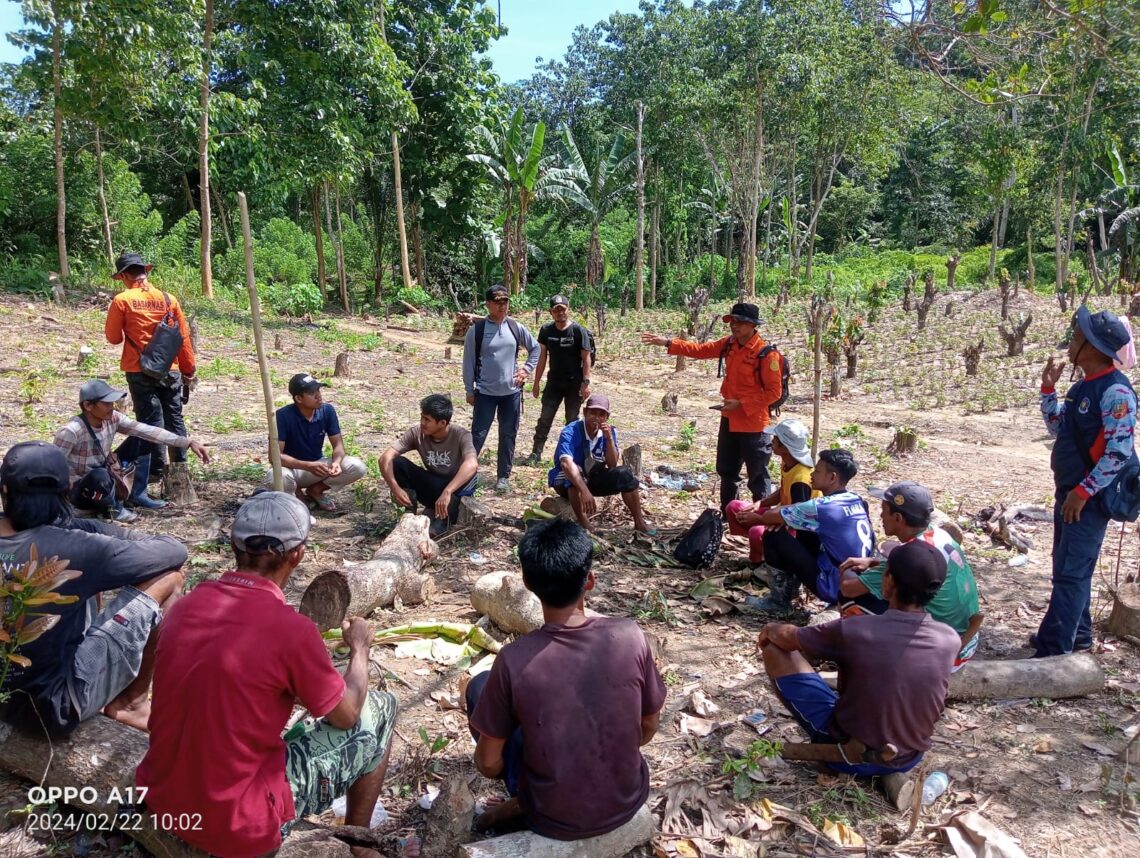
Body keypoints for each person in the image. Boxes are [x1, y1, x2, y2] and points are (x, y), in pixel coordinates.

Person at [137, 492, 398, 857]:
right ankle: (359, 843)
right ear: (298, 554)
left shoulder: (185, 606)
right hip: (239, 822)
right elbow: (348, 713)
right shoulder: (292, 630)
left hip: (163, 798)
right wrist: (360, 649)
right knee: (382, 706)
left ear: (233, 543)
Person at [466, 518, 665, 838]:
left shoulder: (514, 660)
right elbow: (648, 727)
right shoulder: (630, 635)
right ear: (590, 581)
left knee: (479, 686)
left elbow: (488, 763)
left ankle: (525, 795)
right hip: (626, 801)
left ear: (527, 583)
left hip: (551, 817)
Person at [0, 441, 186, 736]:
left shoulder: (71, 544)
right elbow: (172, 550)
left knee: (82, 583)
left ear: (6, 489)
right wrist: (98, 530)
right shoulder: (76, 546)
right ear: (66, 490)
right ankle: (132, 703)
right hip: (50, 709)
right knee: (169, 578)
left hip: (5, 694)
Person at [756, 539, 960, 776]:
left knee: (774, 647)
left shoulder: (856, 629)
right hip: (908, 758)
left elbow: (789, 638)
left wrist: (771, 628)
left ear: (890, 581)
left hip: (849, 755)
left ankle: (834, 747)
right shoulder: (950, 639)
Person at [1035, 306, 1136, 656]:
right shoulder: (1082, 388)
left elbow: (1118, 452)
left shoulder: (1116, 393)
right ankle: (1077, 635)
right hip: (1070, 494)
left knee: (1070, 573)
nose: (1072, 340)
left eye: (1079, 336)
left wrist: (1082, 491)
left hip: (1087, 500)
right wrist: (1049, 389)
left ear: (1092, 349)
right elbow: (1057, 427)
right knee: (1067, 567)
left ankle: (1053, 651)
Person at [641, 302, 783, 513]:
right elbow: (700, 350)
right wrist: (668, 343)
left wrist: (742, 404)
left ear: (753, 325)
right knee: (727, 472)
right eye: (732, 321)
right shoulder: (729, 344)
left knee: (758, 476)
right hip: (729, 420)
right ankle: (728, 516)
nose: (735, 326)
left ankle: (761, 521)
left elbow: (774, 393)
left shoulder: (766, 354)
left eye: (741, 322)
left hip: (754, 425)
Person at [838, 481, 982, 670]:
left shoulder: (907, 554)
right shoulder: (938, 535)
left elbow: (848, 588)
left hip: (940, 653)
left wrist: (846, 567)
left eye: (884, 510)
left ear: (898, 518)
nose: (880, 516)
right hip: (965, 640)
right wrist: (874, 562)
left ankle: (872, 661)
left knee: (851, 600)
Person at [104, 251, 196, 504]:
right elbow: (183, 338)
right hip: (171, 370)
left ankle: (155, 471)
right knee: (174, 418)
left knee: (149, 423)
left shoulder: (122, 300)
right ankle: (180, 471)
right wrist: (188, 369)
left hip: (138, 369)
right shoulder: (169, 299)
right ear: (147, 271)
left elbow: (113, 338)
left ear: (123, 275)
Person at [53, 379, 210, 522]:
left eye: (112, 403)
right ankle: (113, 509)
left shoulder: (113, 418)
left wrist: (188, 442)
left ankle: (136, 495)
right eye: (106, 403)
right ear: (88, 406)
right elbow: (51, 467)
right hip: (80, 489)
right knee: (99, 476)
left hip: (104, 476)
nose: (112, 407)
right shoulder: (72, 431)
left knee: (142, 439)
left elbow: (148, 431)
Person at [745, 448, 874, 613]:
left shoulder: (824, 507)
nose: (812, 474)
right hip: (859, 582)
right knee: (803, 528)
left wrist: (780, 519)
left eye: (818, 471)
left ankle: (778, 602)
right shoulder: (856, 499)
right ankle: (794, 588)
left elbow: (771, 515)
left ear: (832, 477)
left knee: (773, 534)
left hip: (834, 585)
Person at [463, 284, 539, 492]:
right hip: (485, 393)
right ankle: (466, 473)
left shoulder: (515, 327)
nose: (502, 306)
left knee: (508, 435)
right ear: (488, 304)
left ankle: (503, 477)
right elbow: (468, 361)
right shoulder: (477, 331)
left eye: (505, 301)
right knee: (478, 435)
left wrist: (526, 370)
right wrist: (469, 390)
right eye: (497, 302)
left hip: (511, 394)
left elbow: (536, 348)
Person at [547, 393, 653, 534]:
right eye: (593, 413)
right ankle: (585, 524)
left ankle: (639, 522)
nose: (596, 418)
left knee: (625, 474)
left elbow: (613, 464)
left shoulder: (608, 432)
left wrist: (609, 439)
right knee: (574, 473)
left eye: (601, 415)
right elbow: (566, 464)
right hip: (568, 480)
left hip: (592, 477)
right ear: (585, 412)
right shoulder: (571, 431)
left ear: (606, 417)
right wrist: (584, 490)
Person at [379, 393, 479, 538]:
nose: (422, 423)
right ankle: (407, 517)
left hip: (454, 489)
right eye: (422, 417)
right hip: (434, 485)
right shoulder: (417, 433)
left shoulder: (461, 435)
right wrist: (395, 487)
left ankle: (445, 518)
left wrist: (448, 491)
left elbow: (472, 463)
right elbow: (385, 458)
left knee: (468, 475)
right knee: (397, 463)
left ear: (442, 423)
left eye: (427, 420)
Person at [270, 373, 366, 512]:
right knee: (277, 476)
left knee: (357, 467)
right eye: (311, 393)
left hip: (317, 467)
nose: (318, 396)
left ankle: (316, 490)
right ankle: (295, 494)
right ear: (298, 398)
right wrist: (307, 465)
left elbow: (338, 445)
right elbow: (274, 457)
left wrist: (336, 462)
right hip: (292, 469)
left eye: (318, 391)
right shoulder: (282, 416)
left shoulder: (327, 411)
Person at [726, 418, 818, 563]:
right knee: (735, 507)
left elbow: (799, 516)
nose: (771, 443)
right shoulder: (788, 462)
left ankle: (765, 562)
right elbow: (783, 490)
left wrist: (762, 519)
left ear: (785, 448)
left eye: (775, 440)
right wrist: (761, 503)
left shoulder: (801, 479)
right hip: (783, 514)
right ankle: (759, 547)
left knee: (757, 532)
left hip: (797, 527)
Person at [525, 294, 593, 465]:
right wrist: (536, 382)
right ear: (551, 312)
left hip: (574, 383)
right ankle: (536, 453)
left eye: (563, 309)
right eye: (556, 310)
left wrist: (586, 383)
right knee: (545, 418)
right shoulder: (546, 330)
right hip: (554, 382)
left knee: (572, 421)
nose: (560, 313)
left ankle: (572, 456)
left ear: (568, 310)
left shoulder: (578, 331)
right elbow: (542, 358)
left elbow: (586, 358)